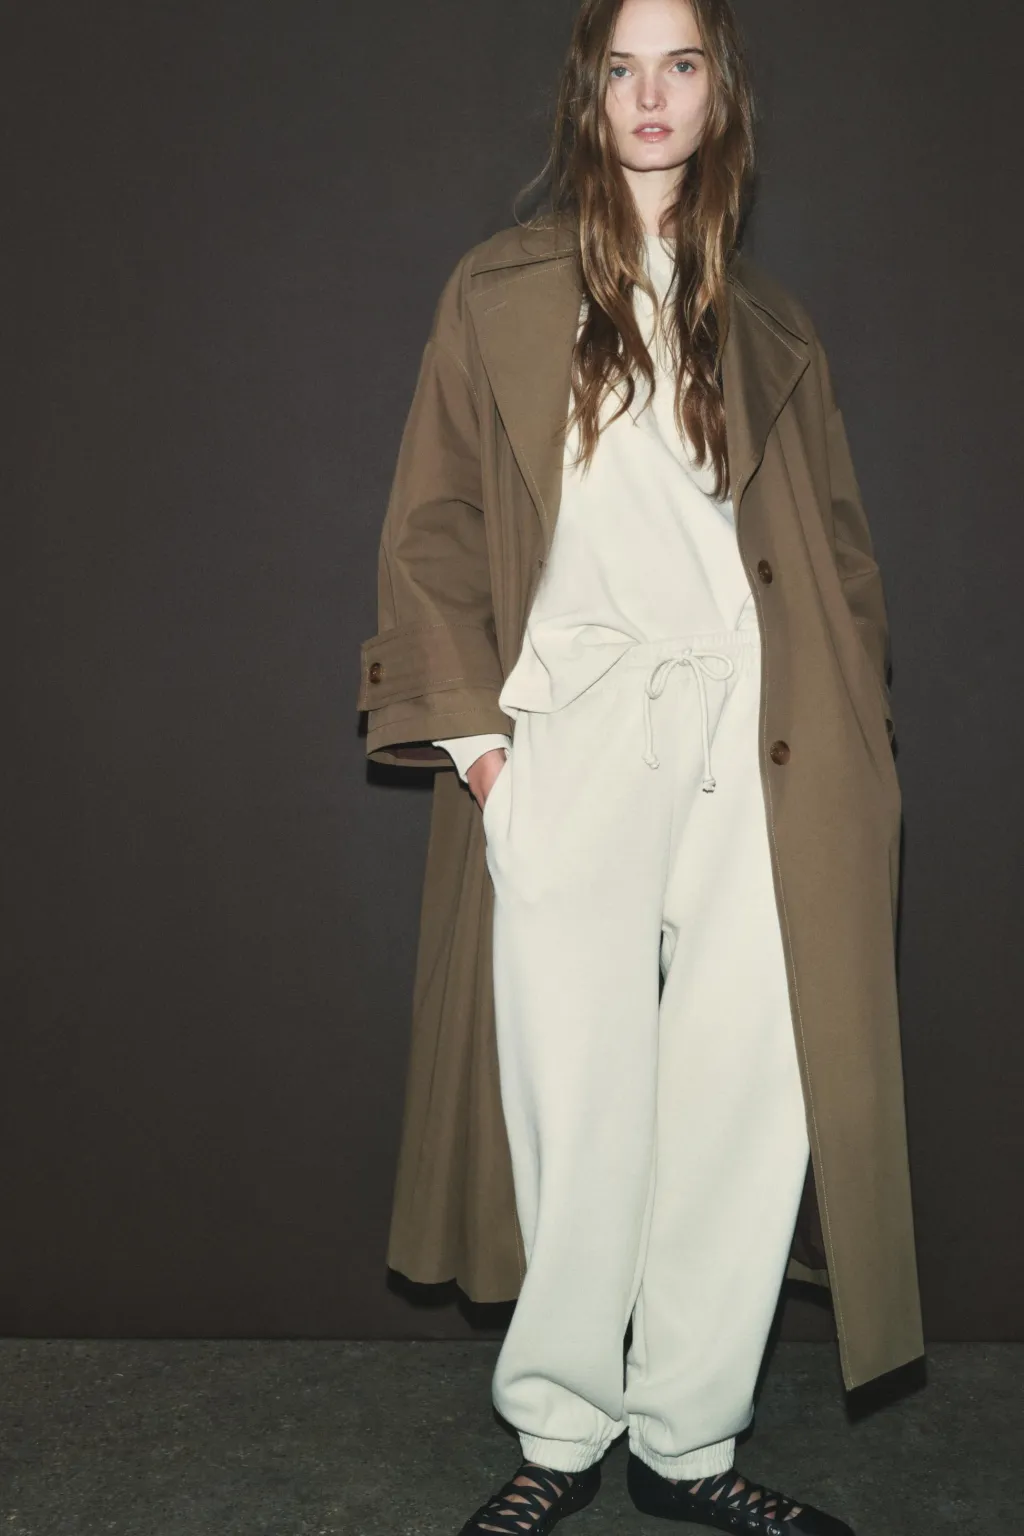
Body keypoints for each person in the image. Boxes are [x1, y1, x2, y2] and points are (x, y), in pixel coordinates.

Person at [357, 1, 924, 1531]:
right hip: (584, 724)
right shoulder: (499, 289)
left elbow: (842, 562)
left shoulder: (774, 325)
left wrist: (854, 735)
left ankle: (689, 1442)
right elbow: (434, 527)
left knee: (751, 1090)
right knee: (576, 1089)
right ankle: (559, 1435)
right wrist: (489, 761)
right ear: (588, 92)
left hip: (762, 735)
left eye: (681, 65)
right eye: (623, 67)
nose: (652, 95)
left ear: (719, 94)